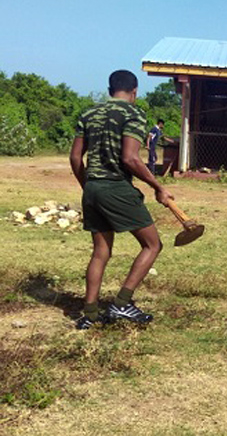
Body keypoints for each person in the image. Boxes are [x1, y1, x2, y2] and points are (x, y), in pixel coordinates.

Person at [69, 70, 174, 330]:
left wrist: (89, 186)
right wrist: (158, 186)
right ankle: (122, 303)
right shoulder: (133, 114)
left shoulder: (88, 114)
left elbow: (74, 159)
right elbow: (130, 158)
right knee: (152, 245)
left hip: (92, 188)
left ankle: (90, 313)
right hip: (116, 188)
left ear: (109, 89)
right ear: (134, 91)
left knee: (100, 252)